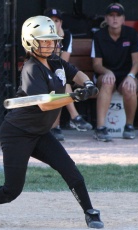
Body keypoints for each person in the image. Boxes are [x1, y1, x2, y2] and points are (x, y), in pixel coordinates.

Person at [0, 16, 103, 229]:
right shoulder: (31, 69)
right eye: (45, 41)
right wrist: (75, 97)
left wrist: (86, 83)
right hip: (17, 133)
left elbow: (76, 73)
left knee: (70, 170)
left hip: (40, 133)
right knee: (13, 190)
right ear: (31, 42)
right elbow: (45, 104)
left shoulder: (56, 62)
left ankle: (90, 212)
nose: (50, 44)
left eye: (52, 40)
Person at [91, 3, 138, 142]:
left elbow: (137, 61)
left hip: (127, 74)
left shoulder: (132, 34)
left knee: (129, 87)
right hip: (107, 74)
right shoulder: (99, 36)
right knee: (107, 82)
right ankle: (100, 128)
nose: (115, 19)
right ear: (106, 18)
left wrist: (131, 76)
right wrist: (107, 72)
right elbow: (96, 65)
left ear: (123, 18)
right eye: (111, 16)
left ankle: (129, 126)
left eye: (118, 16)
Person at [44, 8, 93, 142]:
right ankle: (74, 116)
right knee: (59, 79)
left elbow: (62, 62)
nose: (54, 24)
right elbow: (43, 60)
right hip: (38, 72)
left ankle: (56, 127)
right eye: (50, 21)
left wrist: (59, 42)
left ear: (61, 23)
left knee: (60, 78)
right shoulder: (38, 34)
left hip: (55, 73)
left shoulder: (66, 36)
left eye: (57, 21)